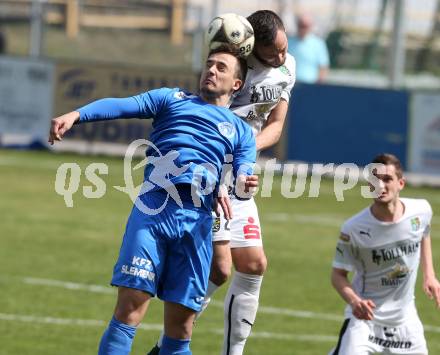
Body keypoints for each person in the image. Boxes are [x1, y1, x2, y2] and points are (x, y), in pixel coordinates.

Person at [48, 48, 258, 355]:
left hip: (198, 221)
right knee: (130, 307)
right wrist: (76, 115)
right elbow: (121, 105)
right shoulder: (171, 99)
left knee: (181, 329)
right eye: (209, 64)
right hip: (154, 210)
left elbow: (244, 173)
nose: (211, 70)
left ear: (236, 84)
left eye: (221, 68)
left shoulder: (241, 131)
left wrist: (242, 182)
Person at [148, 10, 296, 355]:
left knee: (255, 264)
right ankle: (169, 343)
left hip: (240, 177)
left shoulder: (289, 66)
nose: (281, 57)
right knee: (221, 267)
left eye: (284, 47)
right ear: (252, 47)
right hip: (212, 179)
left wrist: (245, 148)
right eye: (272, 52)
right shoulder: (233, 70)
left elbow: (275, 125)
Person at [330, 153, 440, 355]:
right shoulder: (353, 229)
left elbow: (424, 232)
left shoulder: (421, 210)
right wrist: (355, 302)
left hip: (406, 322)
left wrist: (430, 275)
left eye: (387, 179)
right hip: (365, 320)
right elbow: (337, 275)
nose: (380, 186)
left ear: (401, 183)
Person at [288, 13, 329, 83]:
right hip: (291, 84)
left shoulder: (318, 43)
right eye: (301, 25)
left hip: (311, 85)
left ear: (310, 26)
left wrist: (320, 84)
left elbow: (323, 66)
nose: (303, 29)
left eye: (305, 26)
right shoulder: (288, 42)